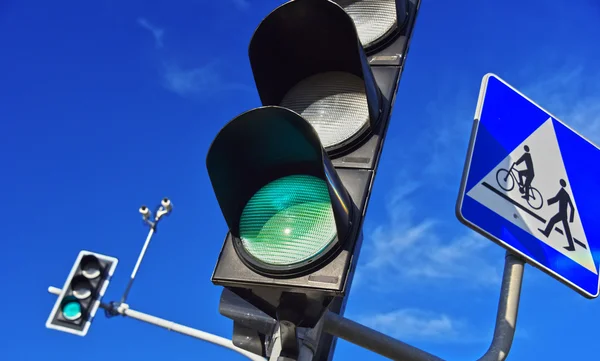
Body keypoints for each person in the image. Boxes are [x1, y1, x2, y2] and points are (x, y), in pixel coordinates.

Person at [538, 179, 576, 251]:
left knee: (562, 227)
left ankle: (571, 246)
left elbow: (557, 199)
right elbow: (557, 199)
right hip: (562, 213)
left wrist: (547, 202)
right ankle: (547, 232)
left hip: (562, 214)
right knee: (564, 228)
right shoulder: (563, 192)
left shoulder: (563, 193)